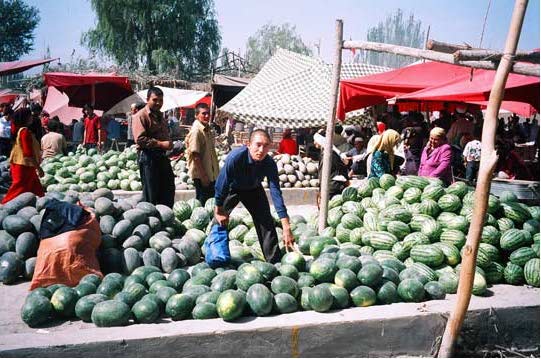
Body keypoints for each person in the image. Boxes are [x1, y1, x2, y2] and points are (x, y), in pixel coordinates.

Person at [214, 129, 295, 263]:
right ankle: (214, 255)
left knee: (266, 222)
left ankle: (274, 262)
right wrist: (218, 208)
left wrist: (286, 226)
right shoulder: (236, 157)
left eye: (265, 145)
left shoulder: (269, 163)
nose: (261, 150)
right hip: (232, 188)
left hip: (253, 189)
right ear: (248, 144)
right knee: (218, 222)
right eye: (258, 144)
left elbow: (276, 192)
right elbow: (222, 182)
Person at [132, 86, 175, 207]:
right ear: (147, 99)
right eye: (155, 100)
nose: (158, 103)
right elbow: (140, 139)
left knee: (168, 189)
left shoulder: (161, 116)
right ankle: (153, 221)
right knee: (151, 193)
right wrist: (161, 144)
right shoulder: (141, 116)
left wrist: (169, 143)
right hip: (148, 158)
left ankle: (166, 217)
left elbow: (166, 136)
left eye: (161, 100)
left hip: (161, 156)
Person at [2, 108, 44, 203]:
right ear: (25, 118)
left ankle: (43, 202)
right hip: (23, 166)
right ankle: (3, 204)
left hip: (25, 166)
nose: (32, 118)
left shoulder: (21, 130)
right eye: (30, 116)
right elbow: (28, 153)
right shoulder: (24, 132)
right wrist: (39, 168)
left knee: (36, 187)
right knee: (18, 189)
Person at [185, 103, 219, 205]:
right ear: (196, 115)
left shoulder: (207, 129)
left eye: (208, 113)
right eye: (203, 114)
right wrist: (203, 176)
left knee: (210, 203)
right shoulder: (196, 131)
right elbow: (195, 156)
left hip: (209, 174)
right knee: (203, 202)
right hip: (202, 175)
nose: (207, 116)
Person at [312, 132, 350, 202]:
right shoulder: (329, 153)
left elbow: (323, 173)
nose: (314, 143)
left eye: (315, 140)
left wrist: (321, 190)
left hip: (332, 186)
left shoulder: (328, 154)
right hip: (332, 185)